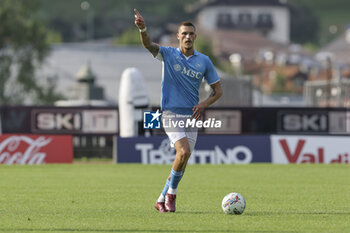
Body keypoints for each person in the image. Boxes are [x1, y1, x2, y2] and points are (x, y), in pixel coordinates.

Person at [134, 9, 222, 213]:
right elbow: (148, 45)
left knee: (182, 160)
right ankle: (172, 196)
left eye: (191, 34)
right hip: (170, 113)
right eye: (184, 34)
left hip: (192, 115)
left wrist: (203, 105)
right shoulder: (168, 53)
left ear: (195, 37)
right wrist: (143, 29)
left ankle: (160, 199)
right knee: (184, 152)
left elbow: (218, 91)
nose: (188, 37)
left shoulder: (204, 61)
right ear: (178, 36)